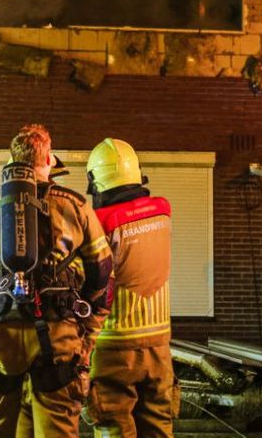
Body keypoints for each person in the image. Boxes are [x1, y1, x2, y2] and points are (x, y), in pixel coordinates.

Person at [0, 124, 112, 437]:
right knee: (57, 427)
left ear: (13, 159)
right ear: (48, 159)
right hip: (56, 336)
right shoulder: (75, 207)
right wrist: (80, 315)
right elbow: (102, 271)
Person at [84, 138, 176, 437]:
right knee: (159, 424)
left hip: (114, 345)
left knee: (114, 425)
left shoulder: (99, 223)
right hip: (159, 346)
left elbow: (91, 282)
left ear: (98, 182)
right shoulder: (162, 215)